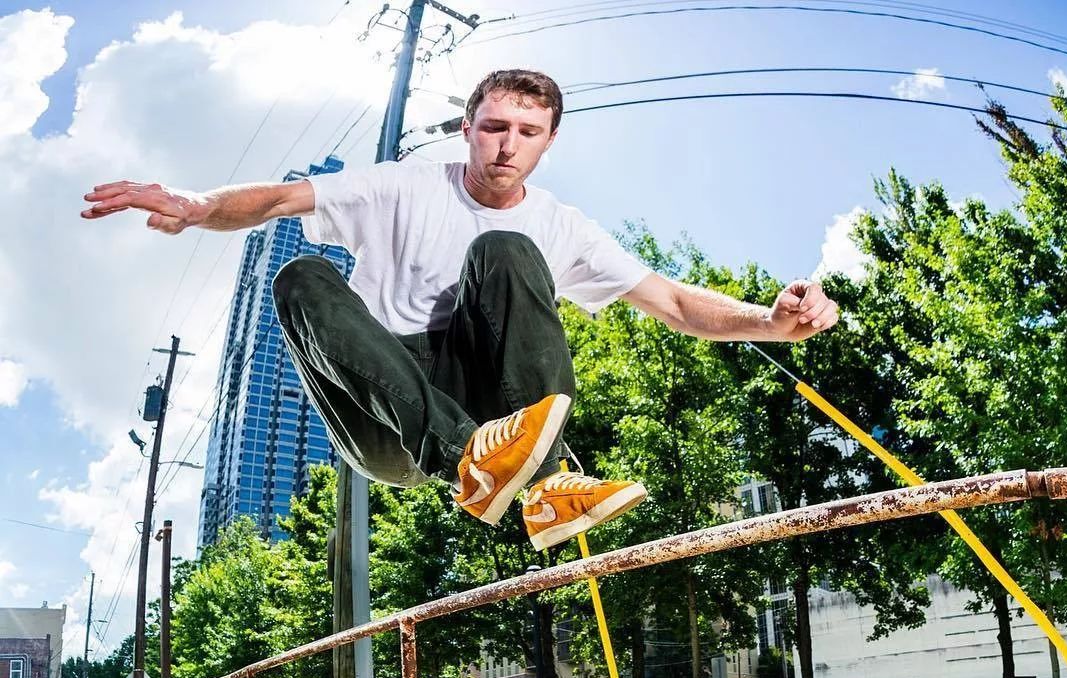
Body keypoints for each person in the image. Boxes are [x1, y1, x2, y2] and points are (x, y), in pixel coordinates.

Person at [81, 69, 838, 550]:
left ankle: (548, 487)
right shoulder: (403, 184)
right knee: (304, 276)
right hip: (381, 410)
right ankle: (468, 458)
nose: (507, 147)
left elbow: (670, 301)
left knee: (507, 253)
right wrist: (199, 203)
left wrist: (770, 321)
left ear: (548, 143)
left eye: (527, 133)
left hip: (479, 400)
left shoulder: (562, 223)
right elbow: (281, 199)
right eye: (494, 127)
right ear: (467, 128)